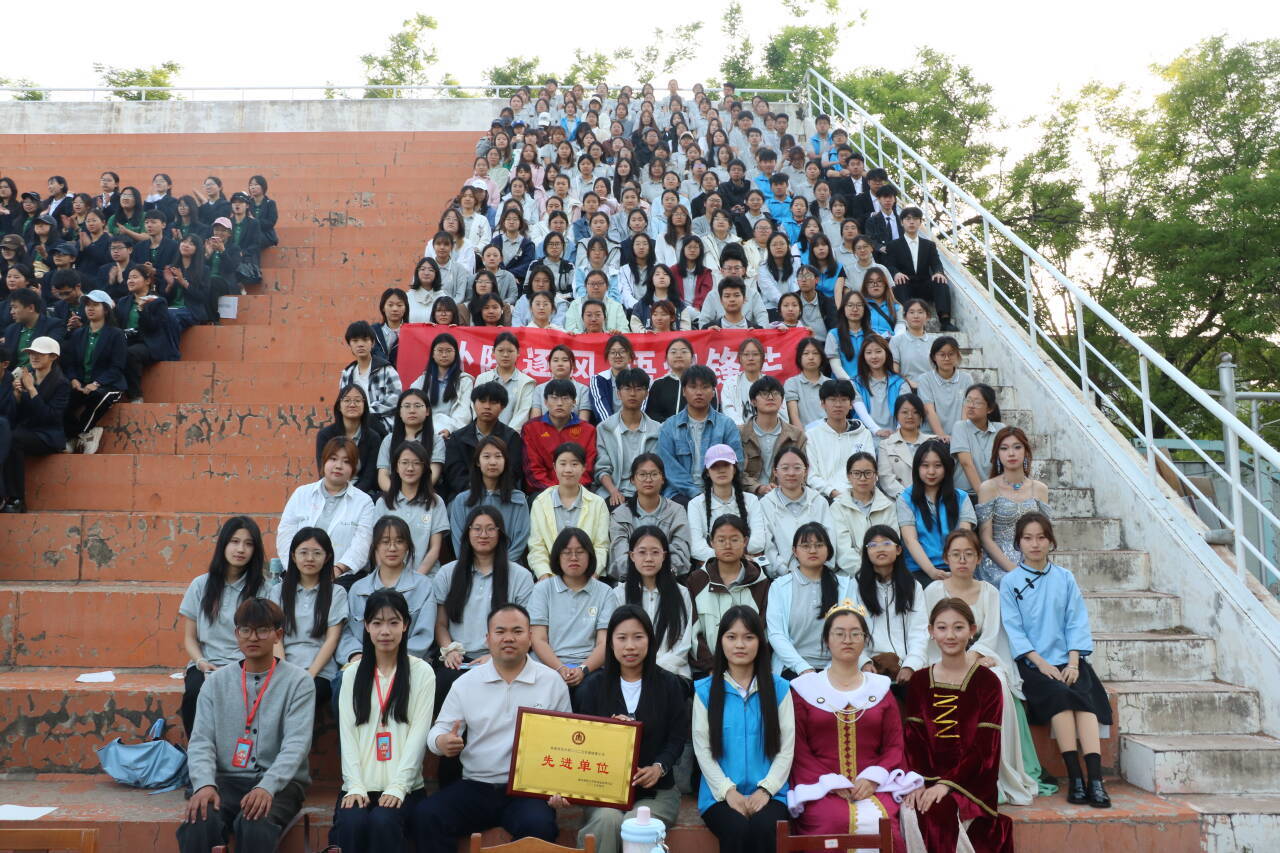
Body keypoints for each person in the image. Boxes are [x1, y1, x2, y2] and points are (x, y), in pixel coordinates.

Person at [411, 604, 572, 853]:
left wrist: (560, 786)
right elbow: (438, 731)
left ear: (530, 637)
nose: (508, 638)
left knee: (539, 825)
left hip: (527, 790)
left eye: (517, 631)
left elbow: (566, 743)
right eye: (500, 631)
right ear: (487, 639)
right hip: (476, 785)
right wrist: (442, 742)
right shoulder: (466, 683)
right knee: (427, 816)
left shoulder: (552, 682)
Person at [178, 599, 315, 853]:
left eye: (262, 630)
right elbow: (201, 741)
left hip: (281, 784)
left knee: (255, 822)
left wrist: (267, 786)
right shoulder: (215, 682)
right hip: (227, 780)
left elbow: (297, 744)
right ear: (236, 634)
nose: (253, 637)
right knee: (199, 819)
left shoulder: (299, 682)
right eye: (246, 630)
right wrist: (204, 783)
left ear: (278, 635)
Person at [922, 529, 1047, 806]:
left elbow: (991, 635)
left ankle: (995, 770)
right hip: (941, 658)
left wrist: (973, 657)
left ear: (979, 558)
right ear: (946, 558)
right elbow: (928, 634)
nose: (962, 560)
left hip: (981, 658)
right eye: (956, 554)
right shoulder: (933, 591)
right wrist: (954, 659)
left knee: (996, 681)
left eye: (969, 554)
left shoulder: (990, 592)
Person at [1001, 513, 1112, 808]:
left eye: (1041, 537)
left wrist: (1073, 662)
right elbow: (1014, 630)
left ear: (1050, 541)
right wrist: (1042, 664)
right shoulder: (1010, 582)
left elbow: (1076, 621)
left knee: (1084, 699)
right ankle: (1075, 778)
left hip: (1069, 659)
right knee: (1060, 697)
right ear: (1018, 543)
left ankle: (1096, 781)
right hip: (1033, 664)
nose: (1035, 544)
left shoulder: (1065, 577)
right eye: (1028, 538)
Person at [786, 602, 919, 848]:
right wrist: (830, 783)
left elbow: (894, 745)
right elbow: (799, 749)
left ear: (865, 639)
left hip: (875, 787)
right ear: (826, 640)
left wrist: (873, 778)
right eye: (839, 633)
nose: (847, 640)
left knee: (885, 823)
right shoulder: (805, 690)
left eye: (855, 633)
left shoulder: (880, 689)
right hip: (820, 788)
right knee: (831, 821)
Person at [901, 598, 1014, 852]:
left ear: (972, 630)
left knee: (938, 812)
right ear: (931, 631)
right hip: (927, 777)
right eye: (942, 628)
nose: (950, 635)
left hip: (972, 781)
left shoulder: (987, 682)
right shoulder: (920, 680)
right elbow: (914, 740)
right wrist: (919, 783)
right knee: (911, 808)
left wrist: (947, 784)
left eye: (958, 627)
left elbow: (985, 749)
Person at [576, 606, 690, 853]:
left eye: (638, 637)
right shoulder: (593, 687)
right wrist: (608, 731)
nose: (630, 646)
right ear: (610, 643)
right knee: (607, 820)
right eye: (622, 638)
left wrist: (659, 767)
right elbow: (582, 742)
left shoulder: (669, 684)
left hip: (657, 792)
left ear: (650, 640)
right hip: (604, 790)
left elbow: (677, 737)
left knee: (636, 824)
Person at [334, 589, 436, 853]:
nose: (385, 631)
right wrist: (355, 785)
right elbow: (347, 734)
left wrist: (398, 787)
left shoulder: (422, 673)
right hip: (359, 786)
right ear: (366, 626)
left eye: (393, 622)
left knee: (383, 821)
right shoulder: (352, 674)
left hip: (405, 789)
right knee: (352, 823)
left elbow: (418, 736)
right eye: (377, 623)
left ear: (405, 625)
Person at [692, 606, 794, 853]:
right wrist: (727, 791)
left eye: (748, 637)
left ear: (760, 642)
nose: (740, 644)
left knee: (764, 827)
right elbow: (702, 749)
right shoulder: (705, 691)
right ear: (721, 642)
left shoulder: (780, 688)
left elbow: (786, 747)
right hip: (719, 795)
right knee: (736, 828)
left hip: (773, 793)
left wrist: (766, 789)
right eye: (731, 637)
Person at [178, 516, 268, 737]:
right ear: (223, 544)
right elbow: (190, 637)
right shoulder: (200, 585)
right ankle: (198, 755)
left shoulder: (263, 588)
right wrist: (201, 662)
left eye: (248, 544)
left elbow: (267, 638)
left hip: (246, 665)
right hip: (206, 664)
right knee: (194, 693)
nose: (241, 549)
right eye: (234, 541)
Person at [337, 517, 436, 670]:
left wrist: (390, 661)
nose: (392, 548)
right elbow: (346, 632)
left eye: (399, 541)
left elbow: (424, 635)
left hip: (408, 664)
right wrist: (355, 654)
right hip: (362, 664)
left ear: (407, 546)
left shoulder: (423, 586)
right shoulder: (358, 589)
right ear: (375, 546)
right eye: (385, 542)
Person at [529, 527, 614, 698]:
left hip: (590, 668)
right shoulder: (542, 589)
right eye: (566, 552)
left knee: (590, 690)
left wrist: (583, 669)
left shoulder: (605, 592)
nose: (573, 557)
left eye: (580, 552)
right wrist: (560, 668)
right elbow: (538, 639)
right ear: (557, 557)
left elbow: (604, 643)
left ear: (590, 556)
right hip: (548, 666)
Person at [277, 437, 376, 581]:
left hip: (342, 578)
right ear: (323, 461)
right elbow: (285, 535)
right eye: (333, 459)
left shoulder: (364, 502)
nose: (338, 466)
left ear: (354, 468)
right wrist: (296, 569)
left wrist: (337, 570)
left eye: (346, 461)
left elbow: (362, 544)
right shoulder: (302, 494)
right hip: (298, 574)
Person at [269, 528, 346, 707]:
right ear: (293, 556)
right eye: (303, 552)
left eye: (317, 553)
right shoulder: (277, 592)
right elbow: (275, 638)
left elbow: (332, 639)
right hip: (283, 668)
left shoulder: (337, 593)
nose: (310, 558)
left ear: (327, 557)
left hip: (320, 673)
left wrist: (310, 675)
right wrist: (284, 673)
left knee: (303, 696)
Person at [765, 523, 852, 678]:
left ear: (828, 549)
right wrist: (802, 668)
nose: (812, 550)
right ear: (794, 551)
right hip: (792, 669)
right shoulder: (779, 586)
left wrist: (831, 670)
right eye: (805, 546)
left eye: (819, 545)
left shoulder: (845, 585)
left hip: (837, 669)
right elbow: (776, 634)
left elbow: (852, 631)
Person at [686, 515, 771, 673]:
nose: (727, 545)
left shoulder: (760, 582)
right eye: (721, 540)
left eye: (734, 539)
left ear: (745, 541)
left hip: (749, 671)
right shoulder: (697, 580)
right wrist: (712, 668)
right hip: (707, 672)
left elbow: (764, 631)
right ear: (711, 542)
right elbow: (692, 630)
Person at [656, 365, 744, 504]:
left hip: (719, 490)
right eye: (693, 387)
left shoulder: (727, 425)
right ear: (684, 391)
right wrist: (696, 493)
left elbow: (737, 462)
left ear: (713, 392)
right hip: (679, 493)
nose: (699, 392)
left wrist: (714, 491)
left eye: (705, 387)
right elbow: (669, 468)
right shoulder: (669, 426)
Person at [855, 525, 928, 691]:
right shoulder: (855, 586)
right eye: (873, 545)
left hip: (906, 668)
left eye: (886, 543)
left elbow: (919, 631)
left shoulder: (913, 586)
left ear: (899, 549)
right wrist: (863, 662)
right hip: (869, 669)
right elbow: (851, 632)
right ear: (866, 552)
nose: (880, 549)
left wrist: (911, 665)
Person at [614, 526, 694, 677]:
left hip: (673, 673)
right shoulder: (619, 594)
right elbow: (617, 638)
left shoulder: (682, 594)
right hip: (630, 673)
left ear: (664, 555)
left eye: (655, 552)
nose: (649, 559)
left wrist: (658, 668)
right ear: (632, 556)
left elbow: (685, 641)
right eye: (642, 552)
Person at [977, 427, 1051, 586]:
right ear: (997, 454)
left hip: (1033, 559)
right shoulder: (988, 488)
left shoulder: (1040, 489)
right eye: (1004, 448)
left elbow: (1044, 535)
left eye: (1017, 447)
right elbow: (985, 537)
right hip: (995, 565)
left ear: (1026, 451)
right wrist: (1014, 570)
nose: (1011, 453)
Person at [897, 440, 977, 583]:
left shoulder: (962, 498)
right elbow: (910, 540)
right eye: (925, 465)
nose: (931, 472)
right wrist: (932, 571)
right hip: (919, 570)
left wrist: (955, 569)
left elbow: (964, 538)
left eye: (938, 465)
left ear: (946, 467)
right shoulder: (905, 499)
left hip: (956, 567)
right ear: (917, 468)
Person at [528, 442, 610, 578]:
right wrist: (545, 577)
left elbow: (601, 547)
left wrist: (591, 576)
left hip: (587, 576)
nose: (568, 469)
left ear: (584, 467)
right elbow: (537, 547)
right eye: (563, 464)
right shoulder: (540, 503)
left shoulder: (598, 503)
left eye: (574, 464)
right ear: (554, 467)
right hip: (551, 578)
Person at [59, 290, 125, 455]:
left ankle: (79, 434)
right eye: (87, 305)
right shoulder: (78, 334)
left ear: (106, 309)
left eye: (95, 305)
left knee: (99, 396)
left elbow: (117, 367)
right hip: (82, 383)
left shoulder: (116, 334)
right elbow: (70, 363)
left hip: (109, 384)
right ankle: (79, 434)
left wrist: (97, 383)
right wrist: (73, 379)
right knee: (61, 399)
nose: (90, 308)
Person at [446, 436, 531, 565]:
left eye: (498, 456)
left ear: (505, 461)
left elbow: (520, 542)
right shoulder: (461, 501)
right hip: (471, 568)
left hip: (509, 568)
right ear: (477, 462)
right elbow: (459, 542)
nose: (492, 462)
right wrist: (477, 567)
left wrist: (499, 567)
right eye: (486, 456)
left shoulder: (518, 500)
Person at [442, 381, 525, 503]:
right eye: (482, 401)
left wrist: (492, 491)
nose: (487, 406)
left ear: (502, 407)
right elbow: (455, 474)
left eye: (493, 402)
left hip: (501, 495)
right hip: (465, 496)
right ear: (473, 404)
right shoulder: (457, 438)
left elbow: (513, 473)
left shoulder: (511, 437)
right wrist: (477, 492)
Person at [377, 441, 448, 576]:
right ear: (396, 467)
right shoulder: (383, 503)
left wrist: (416, 579)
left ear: (424, 468)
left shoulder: (435, 502)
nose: (410, 468)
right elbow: (377, 546)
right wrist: (387, 576)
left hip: (426, 577)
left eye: (416, 463)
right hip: (389, 578)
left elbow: (435, 549)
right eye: (404, 462)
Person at [688, 445, 766, 566]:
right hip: (713, 567)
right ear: (707, 472)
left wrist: (726, 554)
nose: (721, 470)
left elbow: (758, 542)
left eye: (726, 465)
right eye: (714, 466)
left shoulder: (751, 500)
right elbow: (696, 548)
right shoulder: (695, 504)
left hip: (746, 566)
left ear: (734, 469)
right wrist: (735, 556)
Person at [883, 206, 957, 331]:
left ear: (920, 222)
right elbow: (889, 265)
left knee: (940, 281)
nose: (911, 222)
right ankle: (905, 321)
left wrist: (938, 272)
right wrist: (896, 273)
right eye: (908, 219)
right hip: (905, 285)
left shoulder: (929, 245)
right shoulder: (893, 245)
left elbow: (936, 263)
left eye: (915, 219)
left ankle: (945, 321)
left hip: (924, 285)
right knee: (899, 283)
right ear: (901, 222)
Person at [594, 367, 661, 506]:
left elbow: (657, 470)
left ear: (646, 393)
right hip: (613, 493)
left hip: (647, 493)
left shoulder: (657, 430)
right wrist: (613, 491)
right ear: (618, 393)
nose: (632, 394)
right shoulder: (605, 428)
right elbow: (602, 468)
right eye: (627, 388)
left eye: (638, 389)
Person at [115, 264, 181, 402]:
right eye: (129, 278)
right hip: (127, 340)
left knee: (131, 354)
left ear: (147, 281)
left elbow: (153, 327)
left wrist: (142, 310)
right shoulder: (123, 302)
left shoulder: (158, 302)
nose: (130, 281)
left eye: (135, 277)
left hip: (149, 343)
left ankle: (136, 396)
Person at [522, 379, 597, 493]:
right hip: (542, 491)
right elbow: (533, 469)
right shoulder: (531, 428)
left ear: (574, 402)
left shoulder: (588, 430)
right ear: (545, 402)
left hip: (578, 491)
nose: (560, 403)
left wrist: (571, 490)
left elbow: (588, 469)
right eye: (554, 398)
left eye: (565, 398)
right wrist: (555, 492)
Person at [804, 379, 874, 500]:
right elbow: (811, 476)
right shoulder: (811, 436)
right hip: (825, 498)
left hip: (859, 495)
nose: (838, 405)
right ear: (823, 403)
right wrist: (833, 492)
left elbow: (870, 469)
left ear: (851, 404)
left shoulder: (864, 434)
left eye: (843, 400)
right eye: (832, 400)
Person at [830, 452, 897, 572]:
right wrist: (866, 573)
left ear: (876, 475)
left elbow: (892, 545)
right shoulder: (837, 508)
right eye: (856, 473)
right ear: (848, 476)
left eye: (868, 473)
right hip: (852, 573)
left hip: (886, 571)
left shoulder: (888, 506)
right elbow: (843, 551)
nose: (862, 478)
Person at [738, 376, 806, 496]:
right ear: (753, 401)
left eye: (775, 393)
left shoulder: (796, 435)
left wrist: (784, 489)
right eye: (764, 393)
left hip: (785, 495)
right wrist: (758, 488)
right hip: (748, 495)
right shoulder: (739, 433)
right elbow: (734, 471)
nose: (770, 397)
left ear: (782, 400)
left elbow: (804, 471)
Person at [315, 385, 387, 496]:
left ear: (364, 406)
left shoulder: (373, 438)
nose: (352, 404)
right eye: (347, 400)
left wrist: (351, 496)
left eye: (357, 401)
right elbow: (323, 471)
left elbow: (369, 477)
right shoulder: (325, 435)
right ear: (339, 406)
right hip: (331, 490)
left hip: (362, 494)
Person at [341, 321, 403, 432]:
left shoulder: (386, 370)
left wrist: (365, 412)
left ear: (373, 343)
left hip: (383, 426)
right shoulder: (347, 373)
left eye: (365, 340)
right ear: (349, 344)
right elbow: (343, 402)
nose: (360, 344)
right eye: (355, 341)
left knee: (369, 422)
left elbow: (395, 399)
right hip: (355, 424)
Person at [409, 333, 474, 438]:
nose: (444, 355)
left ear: (455, 353)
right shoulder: (423, 380)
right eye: (440, 351)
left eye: (448, 351)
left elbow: (464, 412)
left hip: (452, 433)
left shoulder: (464, 381)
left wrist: (450, 429)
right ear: (433, 354)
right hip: (424, 430)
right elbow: (411, 404)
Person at [949, 383, 1006, 495]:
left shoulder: (1000, 429)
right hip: (965, 495)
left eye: (977, 402)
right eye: (968, 400)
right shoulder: (960, 427)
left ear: (990, 408)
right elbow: (966, 463)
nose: (971, 405)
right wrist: (983, 496)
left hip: (994, 493)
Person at [474, 332, 536, 430]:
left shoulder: (527, 382)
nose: (505, 355)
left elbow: (523, 414)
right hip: (483, 435)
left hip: (512, 436)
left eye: (510, 351)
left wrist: (507, 435)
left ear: (518, 352)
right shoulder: (482, 379)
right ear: (493, 352)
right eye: (501, 350)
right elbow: (476, 409)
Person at [918, 336, 975, 441]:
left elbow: (966, 410)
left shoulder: (966, 379)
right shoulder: (924, 379)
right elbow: (929, 411)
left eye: (951, 354)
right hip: (931, 437)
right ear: (934, 357)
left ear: (957, 355)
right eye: (942, 354)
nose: (947, 358)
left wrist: (960, 437)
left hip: (960, 437)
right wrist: (942, 436)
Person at [876, 393, 928, 500]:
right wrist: (909, 499)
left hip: (929, 501)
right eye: (904, 412)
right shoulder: (885, 445)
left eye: (915, 412)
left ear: (921, 415)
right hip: (898, 501)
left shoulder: (932, 442)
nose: (910, 416)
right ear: (896, 415)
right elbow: (886, 479)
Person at [530, 344, 592, 421]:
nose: (560, 364)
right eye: (555, 360)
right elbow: (535, 421)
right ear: (549, 365)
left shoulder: (583, 390)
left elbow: (583, 421)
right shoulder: (539, 389)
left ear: (572, 364)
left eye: (565, 360)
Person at [783, 337, 832, 427]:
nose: (811, 357)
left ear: (821, 357)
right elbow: (794, 416)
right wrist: (803, 434)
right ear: (799, 358)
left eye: (815, 353)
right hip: (803, 433)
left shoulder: (830, 383)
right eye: (806, 353)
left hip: (829, 432)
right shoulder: (792, 383)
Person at [642, 337, 693, 423]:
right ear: (666, 358)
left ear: (692, 357)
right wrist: (670, 426)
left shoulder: (701, 383)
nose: (678, 355)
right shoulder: (658, 384)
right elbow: (651, 414)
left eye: (684, 352)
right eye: (673, 352)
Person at [889, 299, 937, 383]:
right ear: (905, 317)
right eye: (911, 312)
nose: (916, 316)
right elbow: (894, 370)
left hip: (931, 386)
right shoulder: (896, 341)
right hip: (905, 386)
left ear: (928, 316)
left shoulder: (935, 341)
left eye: (920, 312)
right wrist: (909, 383)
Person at [371, 288, 409, 368]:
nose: (395, 309)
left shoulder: (412, 333)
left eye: (399, 305)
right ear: (383, 308)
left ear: (406, 308)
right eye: (390, 305)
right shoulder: (373, 332)